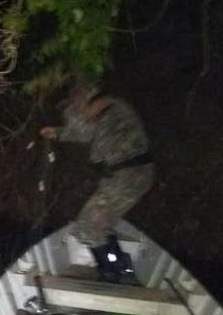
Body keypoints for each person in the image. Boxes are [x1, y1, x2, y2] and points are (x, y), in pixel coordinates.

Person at [40, 85, 153, 282]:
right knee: (101, 224)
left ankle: (109, 272)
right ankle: (121, 268)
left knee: (87, 225)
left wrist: (75, 113)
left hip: (129, 176)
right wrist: (57, 133)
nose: (75, 110)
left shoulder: (112, 108)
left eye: (77, 105)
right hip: (125, 177)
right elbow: (83, 132)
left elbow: (87, 120)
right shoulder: (105, 114)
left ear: (90, 99)